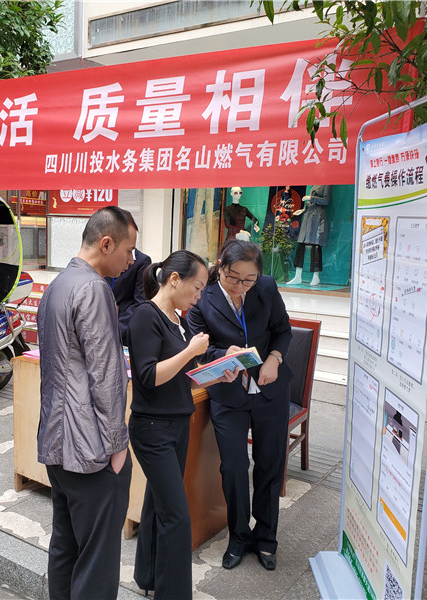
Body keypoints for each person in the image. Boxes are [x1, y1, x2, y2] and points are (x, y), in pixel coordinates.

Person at [36, 206, 138, 600]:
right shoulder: (94, 289)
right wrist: (117, 444)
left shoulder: (58, 284)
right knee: (97, 559)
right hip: (90, 448)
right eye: (128, 250)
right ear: (106, 243)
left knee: (65, 545)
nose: (131, 260)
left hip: (57, 440)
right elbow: (107, 374)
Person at [126, 251, 238, 599]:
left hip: (175, 424)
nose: (199, 296)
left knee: (157, 504)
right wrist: (190, 351)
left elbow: (183, 377)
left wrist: (218, 373)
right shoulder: (146, 316)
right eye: (198, 287)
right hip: (152, 429)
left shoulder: (177, 319)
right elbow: (148, 377)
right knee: (176, 516)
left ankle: (148, 576)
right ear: (174, 279)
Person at [187, 239, 293, 572]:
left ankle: (266, 539)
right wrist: (223, 355)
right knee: (232, 467)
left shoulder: (266, 288)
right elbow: (198, 347)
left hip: (269, 389)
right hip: (229, 393)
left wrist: (274, 359)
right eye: (233, 278)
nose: (240, 286)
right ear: (221, 266)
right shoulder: (201, 297)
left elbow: (283, 330)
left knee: (269, 465)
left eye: (248, 280)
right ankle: (238, 537)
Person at [106, 248, 152, 345]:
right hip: (101, 324)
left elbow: (140, 302)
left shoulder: (142, 261)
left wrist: (115, 331)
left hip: (123, 329)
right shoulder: (107, 255)